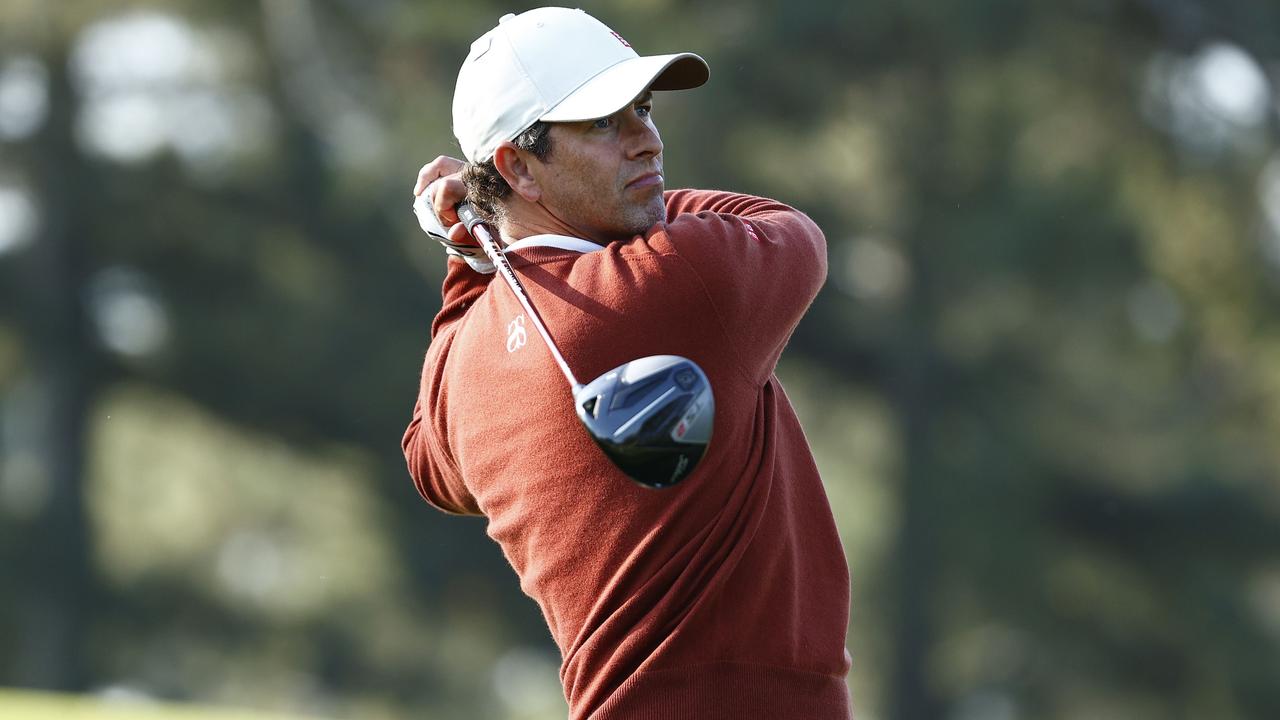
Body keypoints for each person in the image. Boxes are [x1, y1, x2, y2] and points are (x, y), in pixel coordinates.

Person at [402, 7, 853, 719]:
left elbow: (430, 463)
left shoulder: (461, 364)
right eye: (605, 124)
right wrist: (475, 240)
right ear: (518, 166)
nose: (648, 141)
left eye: (642, 109)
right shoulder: (678, 282)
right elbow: (788, 229)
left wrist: (470, 250)